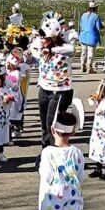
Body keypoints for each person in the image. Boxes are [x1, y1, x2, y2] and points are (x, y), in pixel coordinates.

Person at [36, 12, 75, 160]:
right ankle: (46, 152)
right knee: (44, 125)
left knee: (52, 124)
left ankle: (54, 153)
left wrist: (51, 50)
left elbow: (71, 50)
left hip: (59, 91)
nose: (42, 41)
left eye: (45, 39)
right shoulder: (41, 48)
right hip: (44, 89)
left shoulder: (63, 47)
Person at [79, 1, 104, 73]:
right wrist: (102, 25)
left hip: (83, 36)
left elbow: (81, 25)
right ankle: (89, 68)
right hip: (92, 37)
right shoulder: (96, 16)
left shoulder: (83, 15)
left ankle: (82, 66)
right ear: (94, 8)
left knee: (83, 52)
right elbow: (98, 27)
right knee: (90, 53)